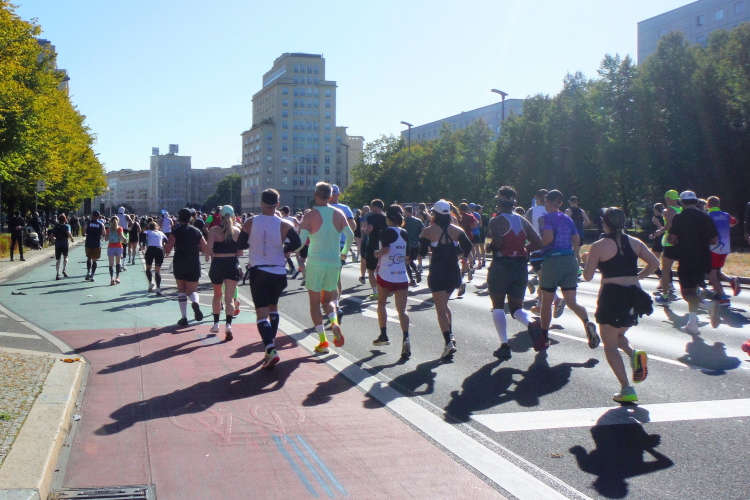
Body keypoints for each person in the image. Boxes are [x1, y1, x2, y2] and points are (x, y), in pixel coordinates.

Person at [583, 208, 659, 403]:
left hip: (612, 296)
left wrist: (586, 261)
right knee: (618, 335)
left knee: (609, 345)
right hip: (634, 295)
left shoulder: (599, 245)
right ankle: (634, 355)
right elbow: (654, 263)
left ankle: (626, 388)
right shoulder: (635, 242)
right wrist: (637, 277)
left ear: (604, 223)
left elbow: (587, 276)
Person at [238, 189, 301, 368]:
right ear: (278, 204)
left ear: (261, 203)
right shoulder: (284, 224)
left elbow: (241, 244)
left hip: (259, 271)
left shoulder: (250, 222)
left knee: (261, 314)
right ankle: (271, 344)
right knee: (273, 308)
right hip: (279, 271)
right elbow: (297, 243)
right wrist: (284, 249)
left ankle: (270, 348)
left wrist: (254, 243)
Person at [296, 182, 354, 353]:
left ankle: (323, 341)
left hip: (315, 262)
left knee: (314, 302)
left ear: (315, 195)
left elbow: (300, 243)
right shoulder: (339, 213)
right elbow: (350, 235)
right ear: (330, 196)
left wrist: (287, 249)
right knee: (328, 300)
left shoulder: (310, 215)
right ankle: (334, 323)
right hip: (334, 261)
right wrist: (344, 253)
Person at [486, 186, 543, 358]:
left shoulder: (496, 221)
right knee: (516, 308)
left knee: (498, 306)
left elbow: (498, 243)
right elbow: (538, 242)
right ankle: (531, 323)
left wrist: (489, 247)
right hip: (520, 266)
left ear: (499, 203)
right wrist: (523, 249)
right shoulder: (522, 220)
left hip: (501, 265)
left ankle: (504, 345)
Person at [537, 190, 599, 349]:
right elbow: (576, 240)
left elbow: (548, 238)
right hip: (570, 260)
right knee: (572, 301)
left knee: (547, 302)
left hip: (552, 261)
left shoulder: (544, 218)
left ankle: (544, 337)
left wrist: (535, 246)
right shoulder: (567, 219)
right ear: (560, 203)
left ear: (547, 201)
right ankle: (587, 322)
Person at [418, 199, 473, 359]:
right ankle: (451, 335)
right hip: (453, 272)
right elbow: (468, 246)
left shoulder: (428, 231)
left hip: (438, 272)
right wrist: (462, 256)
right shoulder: (457, 230)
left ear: (434, 214)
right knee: (444, 305)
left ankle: (448, 343)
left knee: (440, 309)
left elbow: (422, 252)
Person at [667, 191, 719, 334]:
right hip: (704, 258)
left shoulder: (679, 217)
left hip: (687, 258)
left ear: (681, 202)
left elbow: (671, 239)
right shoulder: (706, 217)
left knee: (686, 293)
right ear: (696, 202)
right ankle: (692, 324)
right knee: (694, 289)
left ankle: (707, 305)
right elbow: (714, 240)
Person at [371, 205, 412, 358]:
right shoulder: (404, 233)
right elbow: (408, 254)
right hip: (401, 275)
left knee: (381, 303)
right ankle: (406, 338)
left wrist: (376, 253)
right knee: (402, 309)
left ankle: (383, 334)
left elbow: (385, 249)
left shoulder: (385, 231)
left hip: (385, 274)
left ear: (388, 218)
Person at [164, 208, 209, 327]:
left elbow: (168, 248)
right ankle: (195, 302)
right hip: (194, 262)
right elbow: (204, 248)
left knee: (181, 290)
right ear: (191, 218)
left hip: (179, 262)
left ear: (179, 218)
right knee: (193, 290)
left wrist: (165, 249)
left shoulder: (176, 231)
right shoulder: (196, 231)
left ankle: (184, 317)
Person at [206, 205, 243, 339]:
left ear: (220, 216)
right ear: (233, 216)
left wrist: (211, 254)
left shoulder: (214, 230)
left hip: (217, 263)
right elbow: (240, 252)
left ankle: (216, 324)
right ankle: (228, 325)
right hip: (231, 263)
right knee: (229, 298)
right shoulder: (237, 231)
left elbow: (208, 249)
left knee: (217, 295)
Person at [706, 196, 742, 306]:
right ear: (718, 204)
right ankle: (729, 282)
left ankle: (723, 298)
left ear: (708, 205)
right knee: (716, 270)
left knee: (712, 274)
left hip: (714, 248)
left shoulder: (708, 216)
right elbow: (735, 221)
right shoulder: (726, 215)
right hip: (725, 247)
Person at [654, 190, 682, 304]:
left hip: (669, 243)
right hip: (681, 242)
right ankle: (696, 293)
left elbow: (669, 226)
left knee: (665, 270)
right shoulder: (682, 209)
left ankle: (665, 296)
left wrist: (659, 231)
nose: (665, 200)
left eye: (666, 198)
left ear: (669, 199)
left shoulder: (667, 211)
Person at [362, 199, 388, 300]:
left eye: (372, 207)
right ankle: (386, 290)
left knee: (371, 270)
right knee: (383, 269)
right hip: (385, 245)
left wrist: (364, 231)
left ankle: (375, 292)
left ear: (376, 207)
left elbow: (369, 230)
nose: (371, 209)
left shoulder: (372, 217)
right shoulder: (387, 218)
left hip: (373, 245)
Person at [141, 221, 167, 294]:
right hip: (159, 249)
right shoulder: (161, 233)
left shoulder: (147, 232)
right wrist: (166, 249)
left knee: (148, 268)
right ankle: (158, 287)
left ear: (149, 227)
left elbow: (143, 236)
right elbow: (166, 240)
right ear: (157, 227)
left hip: (150, 249)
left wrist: (143, 245)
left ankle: (150, 282)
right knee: (157, 270)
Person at [565, 196, 590, 268]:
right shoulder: (581, 211)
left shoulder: (568, 211)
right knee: (577, 253)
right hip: (580, 234)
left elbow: (566, 222)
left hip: (571, 234)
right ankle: (578, 269)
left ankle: (569, 268)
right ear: (577, 202)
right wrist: (581, 225)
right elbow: (588, 222)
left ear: (570, 202)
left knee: (569, 252)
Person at [403, 205, 425, 286]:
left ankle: (412, 279)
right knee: (410, 260)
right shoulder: (418, 221)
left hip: (407, 244)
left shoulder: (404, 221)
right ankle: (416, 272)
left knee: (406, 262)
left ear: (406, 212)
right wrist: (419, 237)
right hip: (416, 244)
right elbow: (424, 230)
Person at [83, 211, 106, 282]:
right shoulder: (101, 224)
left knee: (88, 258)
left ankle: (88, 272)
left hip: (88, 243)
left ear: (92, 215)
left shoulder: (88, 223)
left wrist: (86, 234)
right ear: (98, 216)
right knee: (94, 260)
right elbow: (104, 234)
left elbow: (83, 232)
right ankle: (92, 275)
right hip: (96, 243)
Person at [50, 214, 74, 280]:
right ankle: (64, 269)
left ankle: (57, 273)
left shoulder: (56, 227)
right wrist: (72, 238)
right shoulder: (67, 226)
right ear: (65, 220)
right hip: (65, 243)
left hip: (58, 244)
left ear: (58, 220)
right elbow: (68, 232)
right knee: (65, 257)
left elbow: (51, 236)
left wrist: (54, 239)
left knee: (58, 259)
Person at [105, 216, 127, 285]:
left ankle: (112, 278)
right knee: (118, 262)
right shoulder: (119, 228)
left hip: (111, 247)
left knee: (111, 264)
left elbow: (106, 239)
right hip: (119, 247)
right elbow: (122, 237)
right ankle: (117, 277)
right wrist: (125, 240)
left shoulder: (109, 229)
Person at [648, 203, 665, 278]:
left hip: (658, 240)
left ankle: (661, 277)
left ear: (656, 210)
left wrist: (653, 235)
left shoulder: (656, 218)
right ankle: (662, 278)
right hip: (664, 240)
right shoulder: (665, 218)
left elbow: (660, 229)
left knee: (653, 260)